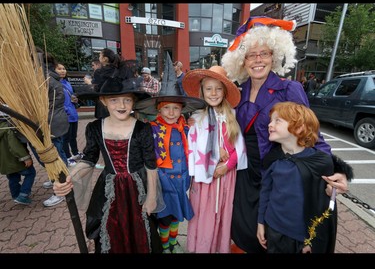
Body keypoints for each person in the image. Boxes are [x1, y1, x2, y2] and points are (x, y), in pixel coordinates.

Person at [220, 16, 353, 253]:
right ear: (243, 60)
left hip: (278, 176)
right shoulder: (238, 93)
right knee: (243, 232)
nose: (258, 60)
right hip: (244, 175)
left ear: (274, 56)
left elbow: (312, 135)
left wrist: (337, 171)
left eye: (264, 53)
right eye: (251, 54)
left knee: (273, 237)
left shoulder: (290, 88)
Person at [53, 77, 165, 253]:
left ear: (133, 101)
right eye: (114, 100)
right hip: (109, 188)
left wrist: (151, 197)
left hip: (137, 189)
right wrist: (69, 178)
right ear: (103, 101)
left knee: (141, 229)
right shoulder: (95, 128)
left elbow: (151, 165)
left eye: (127, 99)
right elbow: (89, 160)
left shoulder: (142, 129)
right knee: (111, 227)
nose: (121, 105)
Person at [257, 102, 353, 253]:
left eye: (277, 120)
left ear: (299, 127)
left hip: (302, 237)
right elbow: (265, 192)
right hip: (273, 228)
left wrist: (312, 240)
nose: (270, 124)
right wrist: (260, 222)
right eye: (271, 120)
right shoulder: (273, 158)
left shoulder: (320, 162)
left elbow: (322, 205)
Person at [134, 62, 206, 253]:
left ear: (181, 109)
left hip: (182, 181)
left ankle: (173, 243)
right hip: (163, 183)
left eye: (176, 108)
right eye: (167, 108)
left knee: (176, 217)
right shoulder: (152, 129)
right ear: (159, 110)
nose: (171, 113)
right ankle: (165, 246)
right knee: (164, 219)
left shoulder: (186, 128)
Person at [181, 66, 247, 253]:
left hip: (225, 176)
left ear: (225, 91)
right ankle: (202, 248)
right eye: (209, 88)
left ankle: (219, 247)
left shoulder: (232, 116)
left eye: (218, 88)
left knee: (223, 213)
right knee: (204, 214)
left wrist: (227, 165)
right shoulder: (197, 117)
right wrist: (215, 151)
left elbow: (239, 147)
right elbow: (192, 146)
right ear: (202, 91)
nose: (214, 93)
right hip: (205, 178)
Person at [35, 48, 69, 207]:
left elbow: (54, 102)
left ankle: (61, 186)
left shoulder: (45, 78)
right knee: (55, 154)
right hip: (53, 122)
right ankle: (55, 178)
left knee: (54, 156)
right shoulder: (45, 76)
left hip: (52, 123)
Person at [0, 113, 36, 205]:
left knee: (13, 178)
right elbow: (14, 145)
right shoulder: (8, 128)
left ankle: (16, 195)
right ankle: (23, 195)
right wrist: (25, 157)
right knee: (31, 173)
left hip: (5, 162)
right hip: (15, 160)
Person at [55, 63, 83, 167]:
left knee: (73, 136)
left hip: (73, 114)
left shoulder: (67, 83)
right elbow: (57, 102)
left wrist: (75, 100)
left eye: (64, 68)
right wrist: (66, 109)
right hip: (64, 115)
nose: (62, 71)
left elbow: (70, 97)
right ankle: (68, 157)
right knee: (65, 138)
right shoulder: (55, 84)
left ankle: (75, 153)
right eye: (59, 69)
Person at [91, 48, 133, 119]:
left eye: (100, 55)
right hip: (118, 107)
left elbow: (97, 90)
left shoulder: (99, 72)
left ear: (105, 59)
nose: (99, 57)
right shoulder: (120, 71)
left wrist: (89, 82)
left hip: (104, 107)